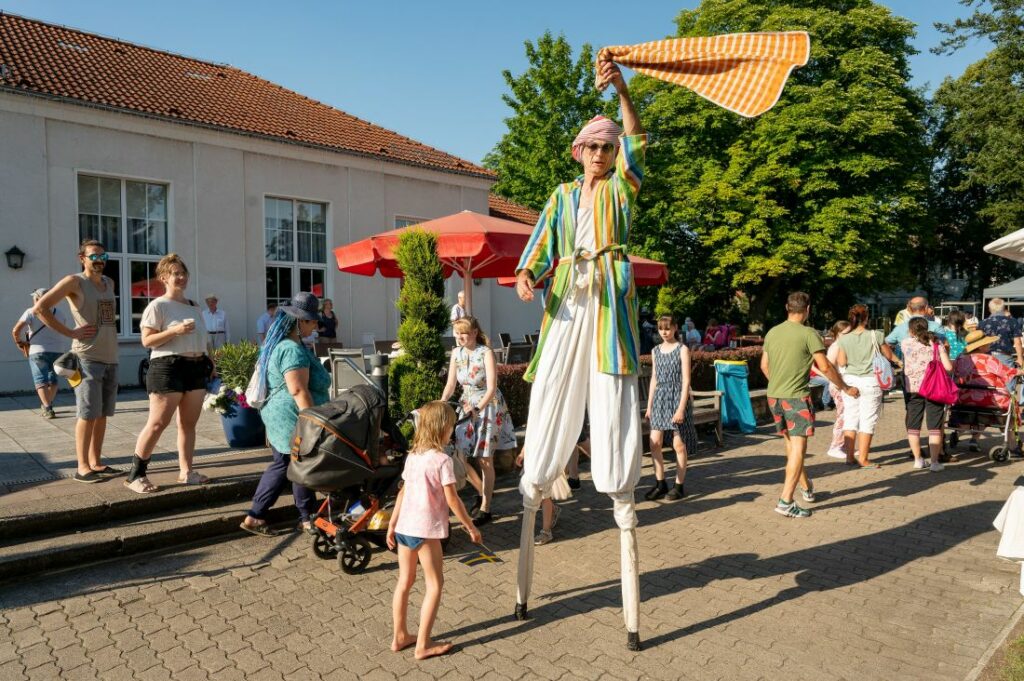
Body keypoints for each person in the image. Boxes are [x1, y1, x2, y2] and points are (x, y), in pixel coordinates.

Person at [513, 58, 646, 649]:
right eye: (592, 146)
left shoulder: (621, 188)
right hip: (568, 300)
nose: (599, 153)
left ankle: (619, 492)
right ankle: (538, 479)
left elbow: (638, 141)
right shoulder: (562, 196)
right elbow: (540, 244)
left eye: (607, 147)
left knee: (612, 386)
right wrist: (527, 274)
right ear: (578, 151)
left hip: (609, 301)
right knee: (550, 388)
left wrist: (622, 91)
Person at [387, 400, 481, 660]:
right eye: (451, 426)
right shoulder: (442, 460)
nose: (452, 430)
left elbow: (402, 493)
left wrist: (392, 524)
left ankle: (399, 636)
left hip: (405, 527)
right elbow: (453, 500)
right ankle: (423, 645)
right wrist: (470, 526)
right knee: (435, 585)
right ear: (442, 428)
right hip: (426, 530)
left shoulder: (413, 457)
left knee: (404, 582)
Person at [240, 292, 330, 535]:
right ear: (299, 322)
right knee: (296, 463)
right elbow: (298, 390)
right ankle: (303, 517)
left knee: (287, 463)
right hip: (291, 417)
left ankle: (263, 516)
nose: (315, 325)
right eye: (312, 321)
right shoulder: (291, 350)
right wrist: (313, 422)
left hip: (280, 415)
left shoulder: (282, 344)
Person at [761, 292, 858, 518]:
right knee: (798, 448)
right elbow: (824, 366)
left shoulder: (773, 332)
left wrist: (779, 383)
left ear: (787, 307)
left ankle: (805, 486)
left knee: (791, 445)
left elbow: (764, 365)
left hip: (775, 396)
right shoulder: (809, 333)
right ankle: (786, 501)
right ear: (808, 309)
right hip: (796, 397)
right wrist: (844, 387)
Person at [33, 240, 121, 483]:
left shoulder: (109, 282)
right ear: (82, 258)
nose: (99, 260)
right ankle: (82, 468)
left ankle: (96, 463)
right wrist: (70, 332)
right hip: (86, 358)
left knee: (102, 414)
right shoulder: (74, 282)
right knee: (87, 413)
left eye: (103, 256)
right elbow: (40, 308)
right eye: (94, 256)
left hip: (110, 357)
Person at [125, 255, 213, 493]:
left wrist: (211, 360)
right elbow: (147, 340)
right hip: (168, 367)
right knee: (157, 423)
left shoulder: (194, 306)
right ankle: (135, 475)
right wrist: (175, 330)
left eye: (183, 273)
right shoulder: (158, 306)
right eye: (176, 273)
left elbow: (204, 338)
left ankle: (186, 472)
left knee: (188, 424)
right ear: (164, 278)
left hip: (196, 366)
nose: (181, 277)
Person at [440, 316, 517, 527]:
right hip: (466, 405)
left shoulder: (486, 352)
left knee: (485, 459)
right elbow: (450, 384)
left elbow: (492, 387)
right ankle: (482, 492)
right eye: (456, 334)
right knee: (460, 456)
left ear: (474, 333)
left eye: (463, 334)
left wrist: (478, 408)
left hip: (487, 406)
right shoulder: (456, 353)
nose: (459, 338)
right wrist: (441, 403)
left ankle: (486, 507)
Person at [836, 304, 899, 468]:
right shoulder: (875, 335)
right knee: (867, 420)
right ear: (867, 318)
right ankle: (863, 459)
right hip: (871, 381)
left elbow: (841, 362)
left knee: (850, 418)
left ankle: (849, 457)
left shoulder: (843, 338)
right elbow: (889, 355)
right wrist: (900, 362)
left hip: (850, 381)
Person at [643, 315, 697, 501]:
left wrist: (681, 408)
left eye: (667, 328)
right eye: (661, 328)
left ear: (675, 328)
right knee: (654, 443)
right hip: (659, 399)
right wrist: (649, 406)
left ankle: (679, 486)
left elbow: (686, 381)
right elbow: (654, 378)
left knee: (678, 445)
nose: (664, 332)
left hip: (677, 399)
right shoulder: (655, 350)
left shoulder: (683, 349)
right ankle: (660, 484)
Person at [952, 329, 1023, 453]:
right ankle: (1012, 445)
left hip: (964, 398)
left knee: (980, 413)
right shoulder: (988, 359)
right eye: (987, 343)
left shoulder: (960, 358)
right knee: (1009, 413)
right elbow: (1006, 372)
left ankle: (969, 438)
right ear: (981, 346)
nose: (990, 344)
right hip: (991, 400)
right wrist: (1020, 371)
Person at [901, 318, 954, 472]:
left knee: (913, 425)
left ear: (911, 330)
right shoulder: (936, 343)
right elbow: (948, 367)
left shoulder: (905, 343)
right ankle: (935, 462)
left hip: (913, 389)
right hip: (934, 389)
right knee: (934, 426)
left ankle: (918, 459)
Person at [12, 288, 69, 418]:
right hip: (58, 350)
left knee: (40, 380)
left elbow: (15, 330)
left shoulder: (31, 311)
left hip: (37, 351)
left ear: (38, 299)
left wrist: (19, 342)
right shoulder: (60, 313)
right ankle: (47, 404)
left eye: (34, 298)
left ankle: (48, 408)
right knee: (53, 380)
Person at [824, 321, 852, 459]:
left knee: (848, 416)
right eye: (845, 333)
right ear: (837, 334)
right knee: (842, 416)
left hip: (844, 385)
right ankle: (835, 446)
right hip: (839, 386)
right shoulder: (835, 347)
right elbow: (828, 367)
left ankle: (845, 446)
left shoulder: (843, 346)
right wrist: (838, 383)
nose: (848, 335)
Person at [979, 298, 1023, 368]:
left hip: (987, 357)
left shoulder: (982, 323)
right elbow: (1017, 342)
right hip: (1005, 356)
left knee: (989, 375)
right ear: (1003, 308)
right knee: (1008, 374)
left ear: (989, 309)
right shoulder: (1012, 321)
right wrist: (1020, 358)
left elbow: (978, 342)